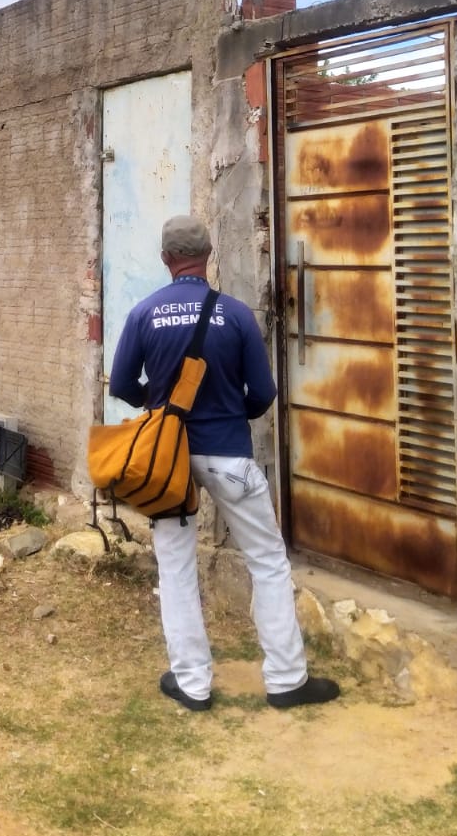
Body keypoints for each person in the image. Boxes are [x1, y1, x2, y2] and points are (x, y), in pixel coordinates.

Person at [108, 214, 339, 712]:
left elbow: (122, 384)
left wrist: (163, 407)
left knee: (176, 567)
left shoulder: (144, 313)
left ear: (166, 259)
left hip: (168, 460)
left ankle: (192, 683)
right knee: (268, 562)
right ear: (208, 255)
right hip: (229, 454)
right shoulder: (234, 315)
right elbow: (264, 392)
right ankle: (286, 679)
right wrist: (233, 413)